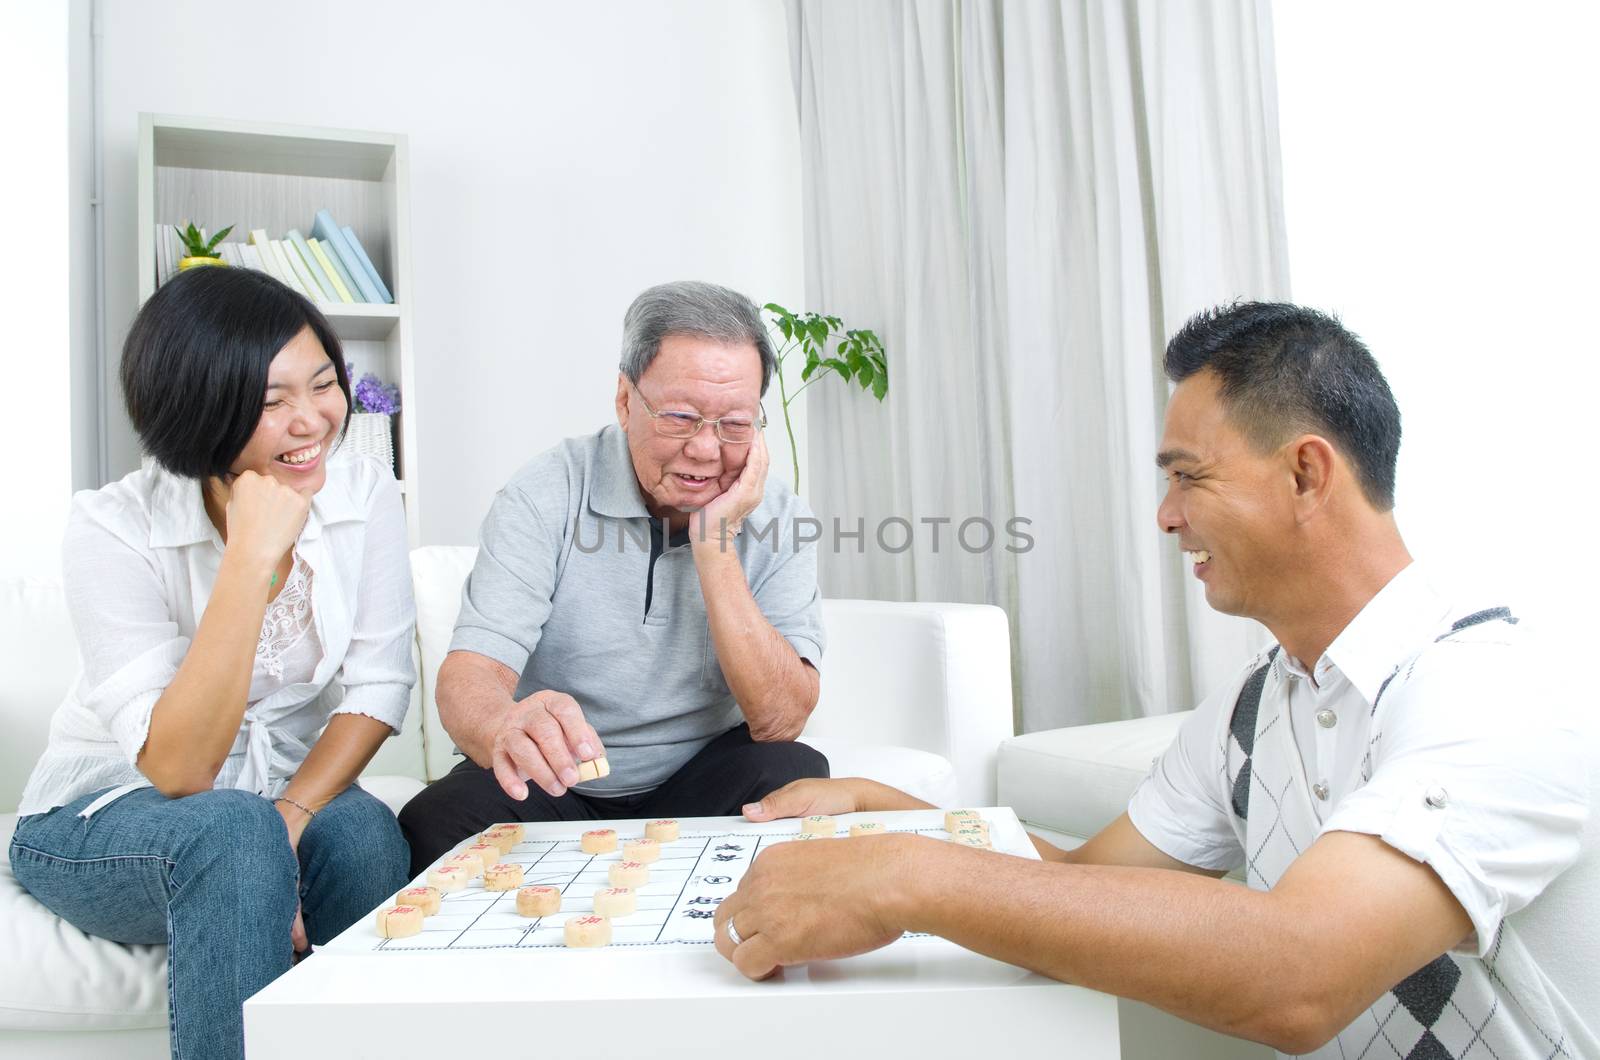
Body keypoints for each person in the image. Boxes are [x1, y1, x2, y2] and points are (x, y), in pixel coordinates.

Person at [712, 302, 1594, 1059]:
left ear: (1306, 474)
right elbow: (1079, 887)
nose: (1167, 516)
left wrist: (904, 877)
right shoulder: (1256, 708)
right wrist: (893, 811)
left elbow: (1300, 976)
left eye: (1189, 477)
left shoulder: (1486, 694)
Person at [8, 267, 416, 1060]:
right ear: (201, 411)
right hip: (102, 815)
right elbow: (181, 771)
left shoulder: (365, 492)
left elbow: (378, 688)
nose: (313, 421)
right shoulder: (111, 527)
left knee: (364, 836)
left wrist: (290, 820)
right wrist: (250, 559)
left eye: (325, 384)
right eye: (271, 403)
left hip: (269, 797)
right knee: (231, 833)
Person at [398, 280, 827, 873]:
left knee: (792, 770)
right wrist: (503, 724)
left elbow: (781, 719)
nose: (706, 450)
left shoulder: (777, 512)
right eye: (680, 417)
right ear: (626, 400)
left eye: (734, 423)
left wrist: (715, 543)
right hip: (562, 782)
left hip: (700, 784)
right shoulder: (544, 493)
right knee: (435, 820)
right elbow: (469, 675)